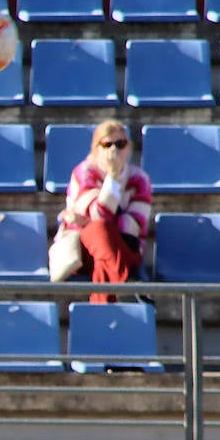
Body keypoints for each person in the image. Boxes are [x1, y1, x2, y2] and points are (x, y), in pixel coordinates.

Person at [49, 120, 154, 303]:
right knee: (99, 230)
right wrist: (113, 178)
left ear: (128, 148)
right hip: (82, 253)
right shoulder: (84, 173)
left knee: (104, 259)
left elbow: (134, 226)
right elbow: (100, 217)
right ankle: (129, 280)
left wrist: (90, 221)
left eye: (120, 144)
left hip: (123, 247)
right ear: (96, 148)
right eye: (107, 145)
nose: (114, 151)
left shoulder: (139, 179)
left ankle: (102, 318)